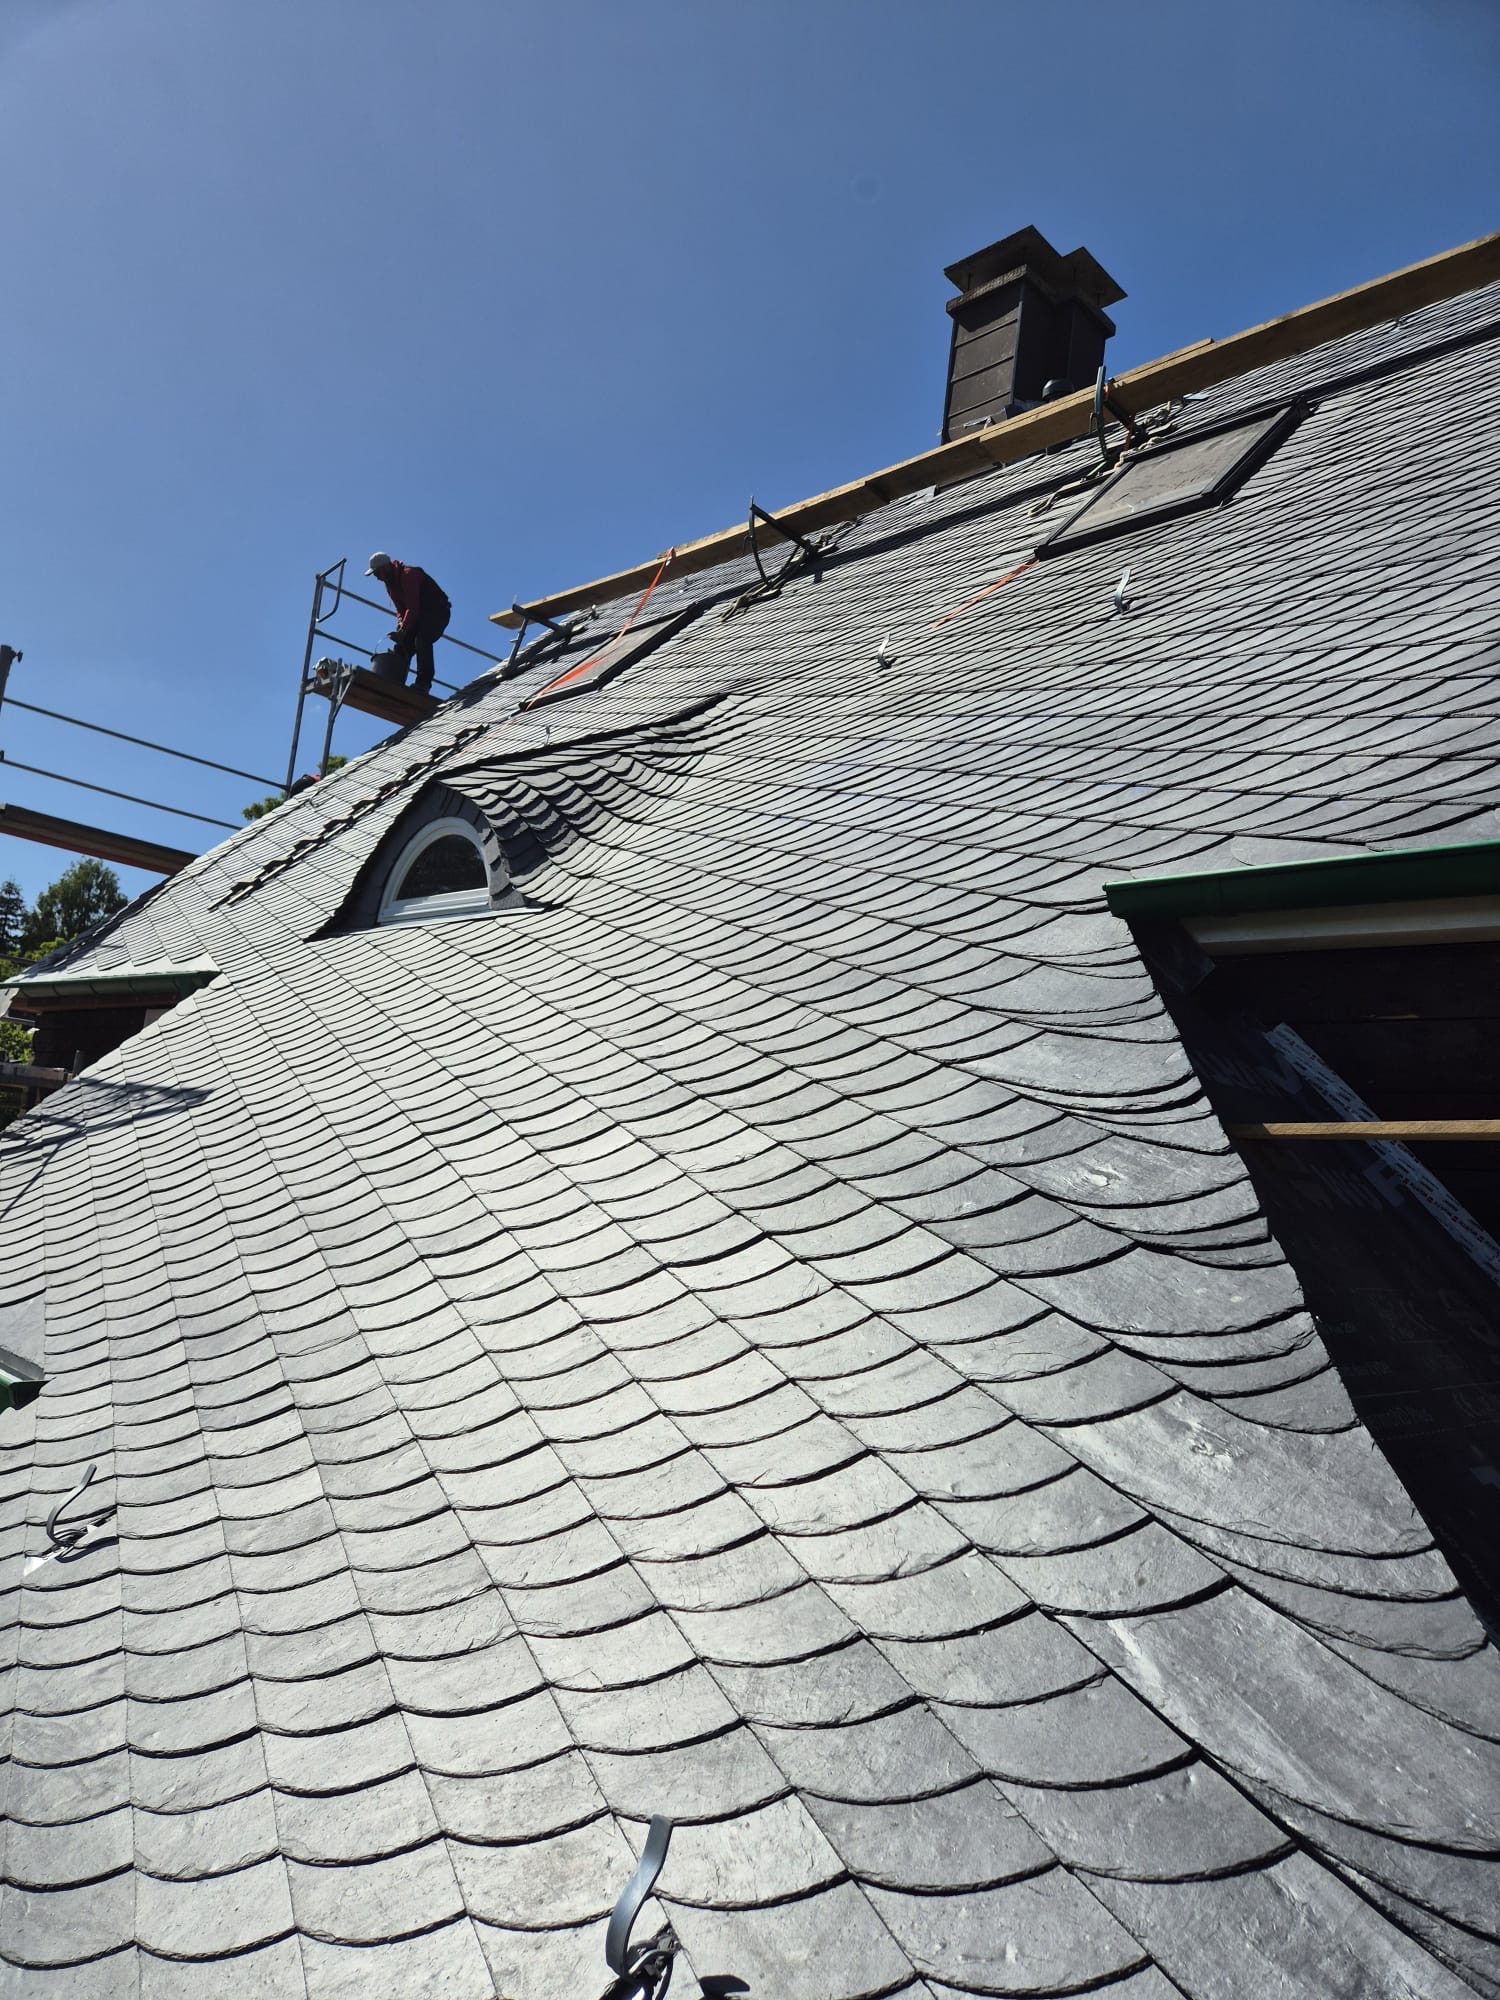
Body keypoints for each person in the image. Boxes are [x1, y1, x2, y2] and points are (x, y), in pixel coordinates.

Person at [365, 553, 451, 695]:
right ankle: (392, 679)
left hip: (437, 613)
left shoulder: (408, 575)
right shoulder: (390, 586)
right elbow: (400, 610)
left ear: (386, 567)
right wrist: (401, 626)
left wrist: (404, 629)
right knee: (402, 646)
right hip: (419, 616)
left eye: (377, 573)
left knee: (422, 640)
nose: (377, 577)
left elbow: (412, 607)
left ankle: (423, 683)